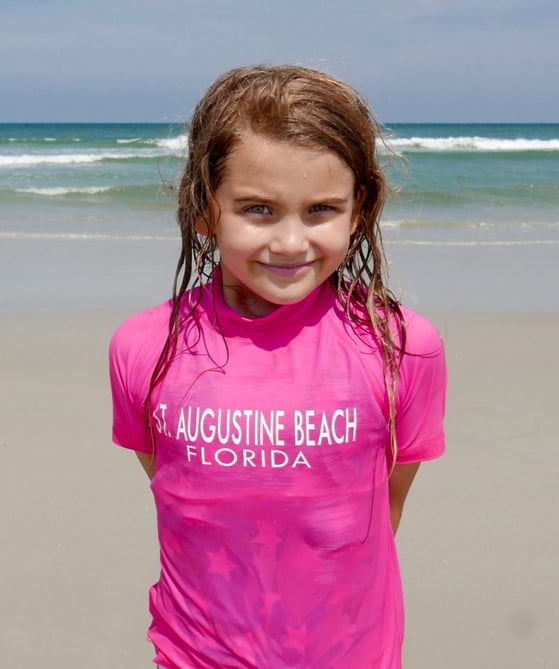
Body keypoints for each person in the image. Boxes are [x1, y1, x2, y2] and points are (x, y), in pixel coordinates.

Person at [108, 65, 447, 668]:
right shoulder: (144, 347)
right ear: (205, 207)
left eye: (320, 209)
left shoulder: (403, 348)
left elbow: (379, 513)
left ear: (359, 208)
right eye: (258, 209)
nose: (290, 243)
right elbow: (183, 494)